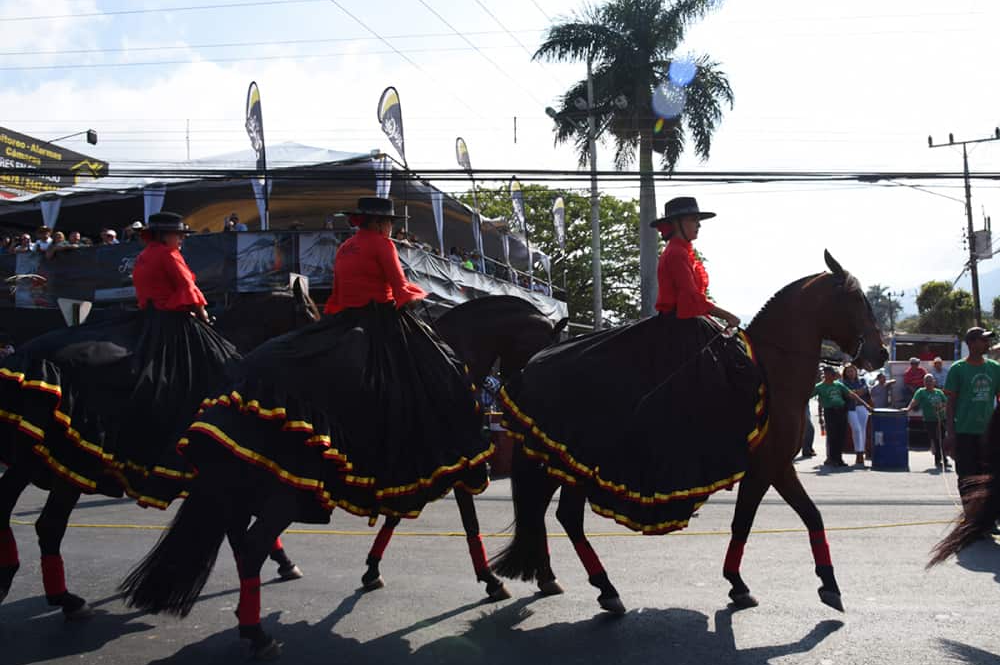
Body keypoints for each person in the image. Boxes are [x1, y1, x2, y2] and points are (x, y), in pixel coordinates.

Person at [178, 195, 490, 533]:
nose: (391, 227)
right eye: (389, 222)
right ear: (380, 222)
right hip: (382, 322)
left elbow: (339, 294)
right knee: (438, 371)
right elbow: (399, 287)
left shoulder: (345, 248)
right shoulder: (383, 245)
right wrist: (414, 298)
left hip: (344, 319)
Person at [0, 212, 243, 614]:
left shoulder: (145, 255)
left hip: (146, 319)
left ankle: (54, 586)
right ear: (170, 235)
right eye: (179, 235)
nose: (181, 241)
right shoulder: (167, 254)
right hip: (174, 326)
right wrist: (203, 316)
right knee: (216, 373)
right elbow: (188, 290)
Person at [498, 196, 764, 534]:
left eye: (698, 220)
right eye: (693, 220)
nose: (698, 225)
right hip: (677, 330)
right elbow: (691, 302)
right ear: (678, 224)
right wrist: (726, 314)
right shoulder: (675, 253)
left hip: (691, 327)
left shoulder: (686, 252)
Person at [944, 327, 1000, 518]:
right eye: (983, 340)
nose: (987, 344)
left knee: (989, 476)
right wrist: (950, 434)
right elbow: (950, 404)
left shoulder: (995, 368)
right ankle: (971, 516)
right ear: (971, 343)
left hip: (989, 434)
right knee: (967, 475)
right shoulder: (958, 369)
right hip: (965, 431)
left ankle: (987, 517)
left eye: (987, 340)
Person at [813, 365, 871, 467]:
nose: (829, 376)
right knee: (832, 436)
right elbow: (810, 396)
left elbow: (852, 395)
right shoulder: (819, 386)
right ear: (824, 375)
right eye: (827, 374)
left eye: (831, 374)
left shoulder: (838, 385)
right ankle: (831, 458)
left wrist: (866, 405)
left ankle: (839, 459)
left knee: (840, 436)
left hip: (841, 411)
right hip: (830, 411)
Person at [908, 373, 948, 469]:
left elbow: (946, 402)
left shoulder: (939, 392)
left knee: (942, 439)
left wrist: (941, 407)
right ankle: (938, 460)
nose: (928, 383)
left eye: (930, 381)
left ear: (934, 382)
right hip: (929, 420)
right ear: (923, 382)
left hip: (941, 419)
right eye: (926, 381)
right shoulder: (921, 392)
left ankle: (944, 458)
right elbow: (914, 401)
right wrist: (908, 408)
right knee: (935, 439)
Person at [842, 363, 872, 465]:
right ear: (845, 373)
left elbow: (864, 391)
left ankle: (860, 453)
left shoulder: (862, 380)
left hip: (862, 408)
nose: (851, 373)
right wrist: (856, 392)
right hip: (850, 408)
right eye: (848, 371)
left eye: (852, 371)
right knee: (856, 429)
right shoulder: (843, 382)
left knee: (862, 430)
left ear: (856, 372)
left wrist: (855, 392)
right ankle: (858, 451)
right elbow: (849, 394)